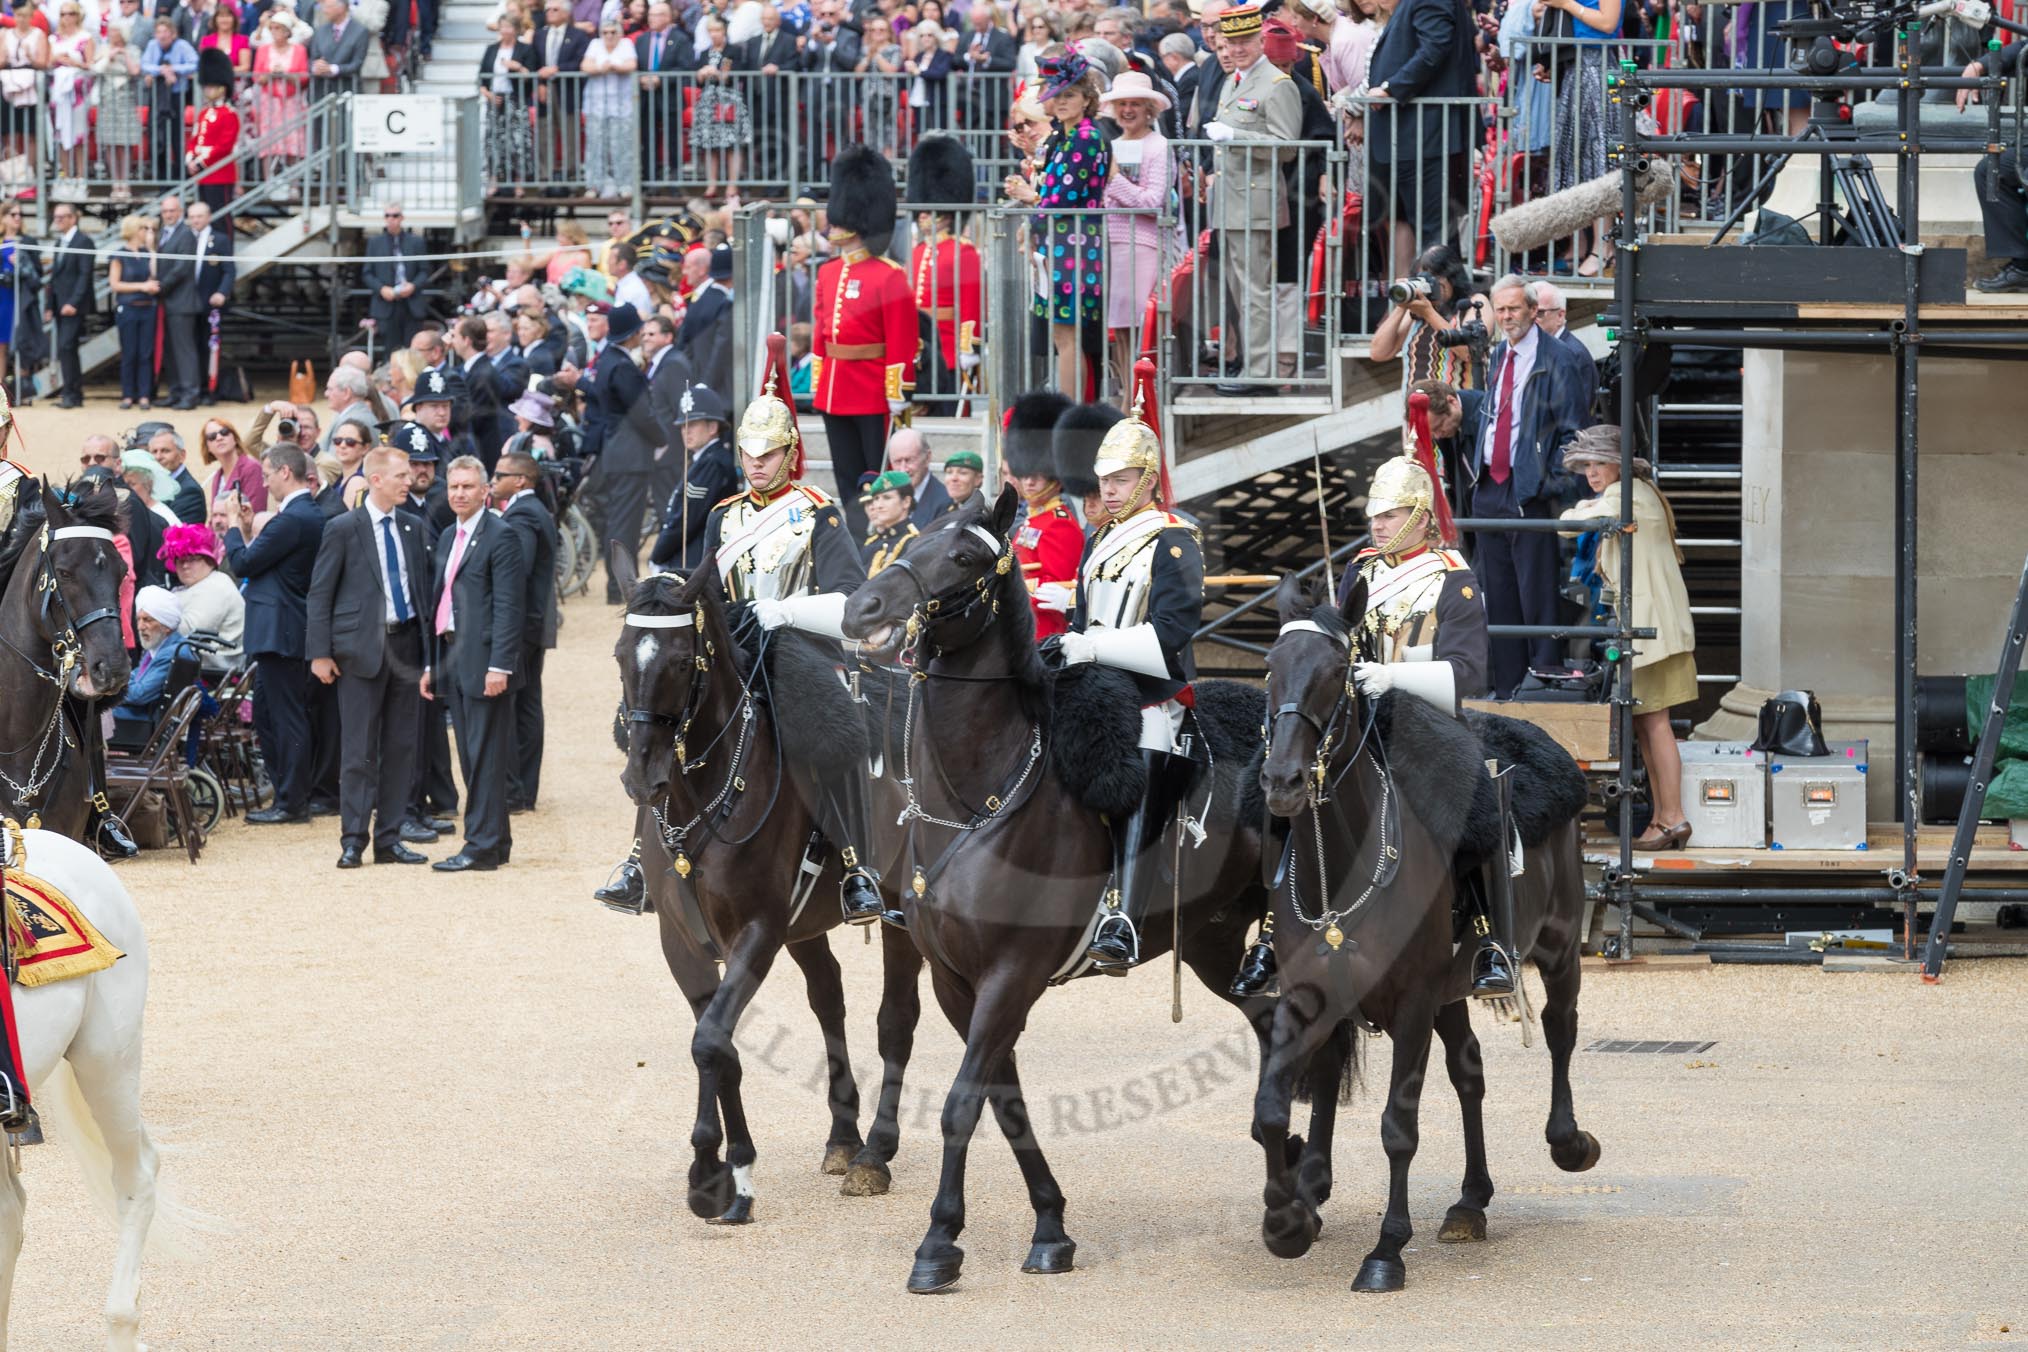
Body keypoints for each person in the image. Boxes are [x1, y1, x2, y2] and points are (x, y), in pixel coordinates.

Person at [594, 339, 876, 920]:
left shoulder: (817, 509)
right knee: (659, 719)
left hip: (799, 648)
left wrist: (788, 612)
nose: (755, 463)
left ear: (789, 450)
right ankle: (637, 861)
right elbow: (707, 588)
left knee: (827, 734)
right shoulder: (724, 514)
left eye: (768, 454)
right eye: (749, 452)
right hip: (734, 649)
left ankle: (853, 866)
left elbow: (850, 600)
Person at [1230, 435, 1502, 996]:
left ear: (1421, 517)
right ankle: (1271, 930)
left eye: (1392, 515)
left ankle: (1487, 934)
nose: (1378, 525)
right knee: (1278, 784)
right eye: (1374, 515)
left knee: (1474, 802)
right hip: (1355, 716)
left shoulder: (1454, 579)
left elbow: (1468, 673)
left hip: (1426, 719)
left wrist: (1392, 676)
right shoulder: (1359, 571)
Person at [1054, 364, 1202, 971]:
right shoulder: (1098, 538)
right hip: (1091, 682)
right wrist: (1069, 645)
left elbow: (1172, 635)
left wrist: (1093, 646)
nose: (1109, 490)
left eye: (1121, 479)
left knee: (1142, 751)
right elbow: (1084, 615)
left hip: (1151, 692)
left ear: (1147, 478)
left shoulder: (1175, 537)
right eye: (1103, 480)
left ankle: (1121, 913)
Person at [1558, 424, 1698, 849]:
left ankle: (1672, 817)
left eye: (1599, 462)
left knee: (1655, 726)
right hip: (1654, 631)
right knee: (1646, 725)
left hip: (1653, 634)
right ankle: (1662, 817)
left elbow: (1567, 525)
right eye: (1586, 465)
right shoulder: (1640, 493)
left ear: (1618, 463)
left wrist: (1586, 505)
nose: (1592, 472)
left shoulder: (1626, 496)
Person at [307, 445, 435, 868]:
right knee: (358, 749)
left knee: (401, 747)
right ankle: (353, 839)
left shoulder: (414, 528)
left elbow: (422, 595)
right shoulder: (344, 527)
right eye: (401, 475)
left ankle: (390, 837)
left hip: (406, 649)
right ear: (376, 479)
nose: (409, 480)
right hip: (358, 651)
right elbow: (321, 593)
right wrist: (319, 653)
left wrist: (430, 659)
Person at [1471, 274, 1590, 696]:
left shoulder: (1559, 357)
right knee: (1497, 595)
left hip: (1527, 489)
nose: (1506, 317)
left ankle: (1541, 685)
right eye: (1500, 310)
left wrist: (1545, 484)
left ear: (1533, 310)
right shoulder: (1498, 353)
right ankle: (1506, 691)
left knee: (1536, 592)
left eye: (1514, 309)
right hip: (1489, 485)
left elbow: (1573, 431)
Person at [423, 454, 528, 871]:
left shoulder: (501, 536)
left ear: (486, 491)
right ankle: (496, 840)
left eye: (468, 486)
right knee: (472, 756)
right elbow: (441, 604)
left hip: (487, 664)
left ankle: (480, 846)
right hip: (455, 657)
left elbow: (508, 606)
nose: (460, 493)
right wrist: (434, 665)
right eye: (454, 486)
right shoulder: (450, 535)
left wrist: (500, 666)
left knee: (484, 757)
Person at [812, 146, 915, 539]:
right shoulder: (827, 273)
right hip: (836, 389)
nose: (831, 224)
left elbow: (902, 339)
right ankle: (857, 539)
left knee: (878, 475)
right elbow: (823, 333)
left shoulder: (889, 276)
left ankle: (887, 537)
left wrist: (897, 389)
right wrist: (821, 385)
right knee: (846, 475)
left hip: (874, 389)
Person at [1204, 4, 1300, 396]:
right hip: (1231, 200)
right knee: (1241, 292)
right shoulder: (1235, 81)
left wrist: (1236, 137)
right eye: (1232, 42)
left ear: (1261, 40)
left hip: (1255, 203)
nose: (1238, 48)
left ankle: (1261, 372)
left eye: (1245, 41)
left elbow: (1287, 146)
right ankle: (1251, 363)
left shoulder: (1278, 84)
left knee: (1256, 292)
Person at [1003, 50, 1110, 399]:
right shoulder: (1065, 136)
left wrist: (1031, 201)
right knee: (1062, 334)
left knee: (1068, 335)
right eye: (1057, 94)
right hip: (1058, 242)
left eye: (1070, 95)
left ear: (1086, 99)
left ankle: (1070, 412)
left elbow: (1063, 199)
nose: (1062, 101)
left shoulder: (1085, 137)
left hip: (1074, 243)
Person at [234, 443, 326, 824]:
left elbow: (244, 562)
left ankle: (292, 801)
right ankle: (289, 795)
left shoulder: (293, 519)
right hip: (282, 630)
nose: (266, 482)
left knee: (284, 718)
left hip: (282, 631)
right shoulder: (304, 515)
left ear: (285, 472)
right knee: (271, 716)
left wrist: (232, 531)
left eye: (268, 474)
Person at [1361, 0, 1475, 258]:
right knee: (1430, 233)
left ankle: (1446, 297)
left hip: (1426, 134)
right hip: (1414, 135)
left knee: (1435, 235)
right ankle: (1439, 295)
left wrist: (1392, 88)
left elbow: (1435, 46)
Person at [492, 450, 558, 813]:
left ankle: (514, 792)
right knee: (528, 704)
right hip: (533, 625)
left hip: (520, 627)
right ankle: (523, 791)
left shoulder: (522, 515)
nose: (493, 480)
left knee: (516, 708)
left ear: (520, 480)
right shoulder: (534, 511)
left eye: (499, 474)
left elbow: (515, 570)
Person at [1098, 70, 1173, 386]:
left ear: (1149, 110)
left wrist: (1114, 180)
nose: (1127, 110)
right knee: (1120, 329)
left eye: (1135, 104)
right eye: (1122, 104)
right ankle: (1129, 397)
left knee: (1138, 326)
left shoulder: (1159, 146)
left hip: (1142, 245)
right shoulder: (1111, 145)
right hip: (1111, 245)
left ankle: (1139, 399)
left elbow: (1153, 201)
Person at [906, 136, 983, 414]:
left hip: (950, 346)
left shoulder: (964, 252)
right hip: (919, 347)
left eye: (930, 210)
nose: (923, 215)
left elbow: (971, 303)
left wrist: (968, 347)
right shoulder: (917, 251)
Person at [1004, 389, 1081, 639]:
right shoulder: (1034, 519)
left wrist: (1009, 588)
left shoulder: (1061, 524)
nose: (1029, 483)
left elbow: (1057, 586)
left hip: (1044, 631)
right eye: (1024, 475)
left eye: (1036, 476)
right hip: (1022, 623)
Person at [1369, 243, 1488, 393]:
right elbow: (1378, 353)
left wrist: (1429, 312)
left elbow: (1469, 353)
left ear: (1453, 277)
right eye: (1421, 278)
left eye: (1434, 277)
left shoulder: (1474, 303)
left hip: (1458, 410)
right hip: (1418, 411)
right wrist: (1402, 305)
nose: (1428, 284)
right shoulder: (1415, 312)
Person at [649, 382, 738, 571]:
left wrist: (658, 554)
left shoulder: (713, 463)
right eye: (683, 426)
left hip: (695, 561)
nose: (685, 431)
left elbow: (686, 520)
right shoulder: (705, 459)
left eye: (693, 424)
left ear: (712, 427)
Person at [110, 586, 196, 746]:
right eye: (138, 619)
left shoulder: (171, 652)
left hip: (146, 723)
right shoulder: (159, 646)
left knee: (95, 713)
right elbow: (134, 676)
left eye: (148, 620)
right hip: (142, 715)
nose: (140, 627)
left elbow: (139, 694)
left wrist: (110, 686)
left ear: (166, 625)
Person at [160, 521, 244, 665]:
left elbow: (188, 631)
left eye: (192, 559)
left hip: (213, 672)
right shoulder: (192, 586)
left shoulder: (216, 586)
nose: (185, 565)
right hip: (189, 664)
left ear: (209, 561)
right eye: (180, 560)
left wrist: (156, 617)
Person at [691, 16, 748, 201]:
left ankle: (732, 185)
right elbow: (696, 81)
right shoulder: (704, 53)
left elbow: (735, 75)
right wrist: (701, 74)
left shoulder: (734, 51)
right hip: (708, 102)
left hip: (729, 101)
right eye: (711, 31)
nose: (714, 35)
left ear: (724, 32)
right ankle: (711, 184)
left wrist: (718, 74)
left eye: (717, 31)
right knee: (709, 145)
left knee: (732, 144)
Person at [581, 16, 638, 199]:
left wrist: (616, 66)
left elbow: (632, 64)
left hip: (621, 105)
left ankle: (625, 184)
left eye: (613, 32)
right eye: (605, 32)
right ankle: (594, 185)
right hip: (596, 104)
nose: (609, 35)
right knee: (595, 146)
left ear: (619, 33)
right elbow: (585, 65)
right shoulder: (595, 44)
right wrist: (601, 68)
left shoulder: (626, 44)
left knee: (622, 145)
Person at [107, 214, 160, 411]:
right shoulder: (119, 254)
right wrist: (142, 286)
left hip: (148, 308)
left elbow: (154, 275)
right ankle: (128, 394)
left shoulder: (148, 253)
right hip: (128, 308)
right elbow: (115, 284)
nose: (146, 232)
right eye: (142, 229)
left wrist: (152, 249)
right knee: (129, 353)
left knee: (145, 353)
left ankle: (145, 394)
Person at [479, 17, 537, 192]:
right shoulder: (491, 50)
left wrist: (517, 67)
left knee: (519, 141)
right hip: (495, 100)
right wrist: (488, 95)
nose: (505, 31)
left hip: (516, 100)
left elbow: (531, 75)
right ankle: (494, 180)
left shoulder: (525, 49)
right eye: (502, 27)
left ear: (516, 29)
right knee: (493, 139)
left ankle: (519, 182)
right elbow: (482, 78)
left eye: (508, 27)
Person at [46, 201, 93, 409]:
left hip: (73, 306)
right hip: (59, 305)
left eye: (61, 217)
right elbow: (54, 278)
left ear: (73, 218)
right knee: (66, 349)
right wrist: (49, 305)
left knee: (67, 346)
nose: (57, 221)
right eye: (55, 217)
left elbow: (85, 275)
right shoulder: (59, 242)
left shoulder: (84, 241)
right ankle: (72, 392)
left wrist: (73, 302)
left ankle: (72, 393)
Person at [253, 10, 309, 183]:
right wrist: (271, 74)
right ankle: (268, 182)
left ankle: (294, 184)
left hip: (292, 101)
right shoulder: (263, 50)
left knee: (293, 141)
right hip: (269, 102)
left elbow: (304, 77)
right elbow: (256, 76)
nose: (275, 32)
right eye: (273, 28)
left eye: (278, 28)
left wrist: (285, 74)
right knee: (268, 142)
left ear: (287, 31)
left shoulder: (299, 50)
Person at [140, 16, 198, 183]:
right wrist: (162, 70)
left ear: (173, 33)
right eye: (159, 32)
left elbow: (194, 63)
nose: (162, 35)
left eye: (165, 31)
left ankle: (179, 175)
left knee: (176, 136)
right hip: (157, 97)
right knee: (157, 136)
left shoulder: (182, 45)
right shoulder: (152, 45)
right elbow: (145, 64)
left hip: (176, 96)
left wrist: (174, 68)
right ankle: (160, 176)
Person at [47, 3, 96, 198]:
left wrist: (75, 63)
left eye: (70, 13)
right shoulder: (53, 39)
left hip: (78, 95)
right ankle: (64, 175)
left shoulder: (86, 38)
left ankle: (80, 177)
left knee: (78, 136)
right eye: (62, 14)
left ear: (78, 15)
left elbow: (92, 66)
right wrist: (57, 58)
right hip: (58, 94)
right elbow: (46, 63)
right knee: (60, 136)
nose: (66, 17)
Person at [364, 203, 427, 352]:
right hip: (386, 304)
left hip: (411, 304)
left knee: (414, 349)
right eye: (387, 215)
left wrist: (413, 286)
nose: (391, 219)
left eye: (395, 215)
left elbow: (424, 271)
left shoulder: (416, 242)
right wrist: (382, 289)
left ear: (402, 217)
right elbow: (367, 273)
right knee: (391, 350)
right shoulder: (375, 243)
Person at [185, 46, 240, 214]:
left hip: (220, 173)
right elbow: (195, 138)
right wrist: (190, 159)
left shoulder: (229, 114)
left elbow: (224, 146)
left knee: (221, 219)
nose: (207, 90)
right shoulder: (204, 113)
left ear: (222, 88)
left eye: (212, 86)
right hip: (202, 174)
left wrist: (200, 162)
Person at [94, 24, 144, 205]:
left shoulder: (133, 49)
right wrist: (109, 57)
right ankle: (115, 183)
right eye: (111, 33)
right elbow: (96, 69)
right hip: (107, 100)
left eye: (116, 32)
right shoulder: (103, 49)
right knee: (110, 143)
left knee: (126, 143)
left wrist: (124, 55)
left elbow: (135, 71)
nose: (113, 36)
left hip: (126, 99)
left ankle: (126, 183)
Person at [674, 245, 733, 399]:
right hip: (717, 387)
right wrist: (707, 382)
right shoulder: (723, 302)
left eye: (688, 267)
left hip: (695, 378)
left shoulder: (700, 300)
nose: (684, 272)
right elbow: (721, 347)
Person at [188, 200, 234, 396]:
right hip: (187, 302)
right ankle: (193, 387)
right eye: (192, 217)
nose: (196, 220)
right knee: (190, 347)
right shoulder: (185, 238)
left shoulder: (221, 239)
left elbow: (229, 271)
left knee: (209, 348)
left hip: (210, 303)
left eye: (199, 216)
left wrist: (222, 292)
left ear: (208, 217)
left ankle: (209, 389)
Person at [958, 0, 1018, 133]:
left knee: (991, 140)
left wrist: (987, 60)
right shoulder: (967, 36)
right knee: (970, 135)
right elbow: (955, 61)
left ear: (989, 19)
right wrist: (969, 57)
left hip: (993, 98)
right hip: (969, 98)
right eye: (974, 21)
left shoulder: (1002, 37)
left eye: (979, 21)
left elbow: (1010, 63)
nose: (976, 24)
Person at [884, 427, 948, 525]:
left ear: (927, 458)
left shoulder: (944, 503)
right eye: (897, 462)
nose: (903, 469)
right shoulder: (883, 499)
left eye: (909, 460)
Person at [198, 415, 264, 513]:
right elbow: (215, 515)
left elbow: (254, 511)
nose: (219, 438)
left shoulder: (252, 468)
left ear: (235, 438)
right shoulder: (217, 476)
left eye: (224, 432)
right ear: (208, 447)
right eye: (212, 437)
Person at [859, 468, 918, 573]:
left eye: (887, 498)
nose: (879, 505)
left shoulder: (913, 544)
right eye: (876, 499)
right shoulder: (872, 543)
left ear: (906, 502)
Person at [309, 0, 368, 101]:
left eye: (328, 7)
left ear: (341, 8)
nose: (324, 11)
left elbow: (357, 63)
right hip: (322, 93)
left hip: (347, 92)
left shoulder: (360, 31)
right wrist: (316, 67)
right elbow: (313, 58)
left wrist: (332, 69)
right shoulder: (320, 31)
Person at [149, 428, 208, 524]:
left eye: (165, 451)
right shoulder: (152, 485)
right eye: (154, 452)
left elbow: (179, 534)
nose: (158, 457)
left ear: (182, 455)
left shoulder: (190, 491)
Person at [938, 449, 985, 516]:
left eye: (963, 473)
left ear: (978, 479)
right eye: (949, 472)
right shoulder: (945, 509)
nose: (954, 478)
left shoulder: (978, 516)